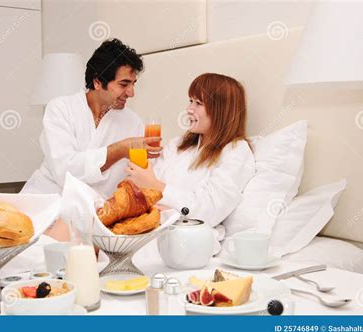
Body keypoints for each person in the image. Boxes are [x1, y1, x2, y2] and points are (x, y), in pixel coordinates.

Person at [125, 73, 256, 254]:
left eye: (198, 103)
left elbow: (209, 210)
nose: (188, 109)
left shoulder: (236, 151)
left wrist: (157, 187)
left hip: (188, 241)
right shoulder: (178, 145)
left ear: (221, 110)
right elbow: (144, 194)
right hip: (150, 226)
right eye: (190, 101)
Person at [21, 38, 162, 198]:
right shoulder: (61, 109)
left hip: (96, 212)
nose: (131, 93)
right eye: (123, 84)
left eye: (133, 84)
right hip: (47, 201)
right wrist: (120, 150)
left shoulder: (133, 122)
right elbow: (65, 172)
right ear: (97, 82)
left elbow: (142, 175)